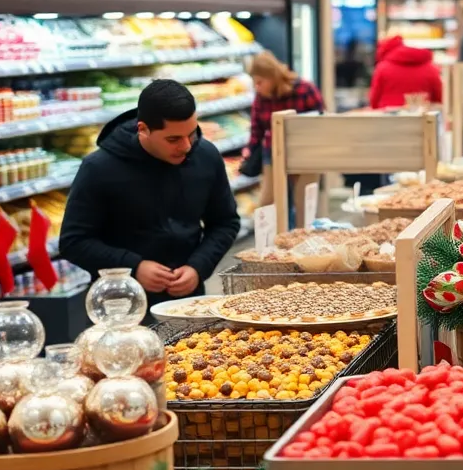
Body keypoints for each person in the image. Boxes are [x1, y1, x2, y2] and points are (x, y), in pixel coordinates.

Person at [61, 80, 239, 306]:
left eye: (192, 134)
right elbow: (73, 241)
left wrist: (198, 266)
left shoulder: (206, 156)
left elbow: (225, 222)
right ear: (143, 129)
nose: (186, 146)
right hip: (119, 306)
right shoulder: (99, 168)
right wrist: (133, 268)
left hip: (188, 303)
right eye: (173, 139)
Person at [241, 51, 324, 221]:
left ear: (272, 76)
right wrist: (250, 149)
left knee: (303, 203)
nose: (257, 87)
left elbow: (321, 120)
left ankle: (303, 242)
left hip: (306, 153)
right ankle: (272, 244)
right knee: (268, 202)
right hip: (274, 151)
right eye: (254, 83)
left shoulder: (304, 90)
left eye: (260, 82)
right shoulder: (261, 97)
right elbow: (257, 128)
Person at [368, 34, 444, 110]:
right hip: (421, 118)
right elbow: (438, 97)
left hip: (387, 117)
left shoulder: (382, 68)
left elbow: (374, 99)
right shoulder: (430, 68)